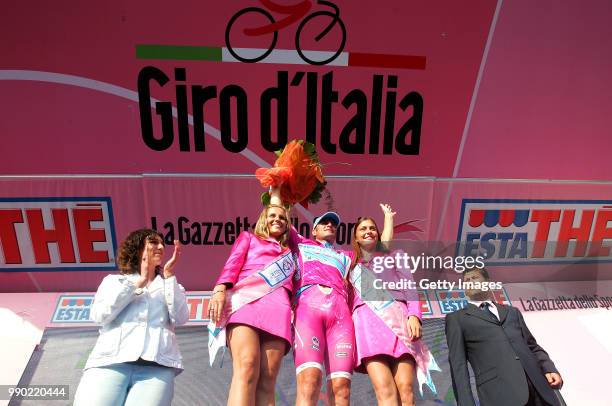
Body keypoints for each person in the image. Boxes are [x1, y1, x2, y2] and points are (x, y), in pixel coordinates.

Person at [74, 229, 189, 406]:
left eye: (162, 244)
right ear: (137, 248)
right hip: (109, 362)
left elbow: (181, 318)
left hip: (157, 368)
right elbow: (99, 315)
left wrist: (169, 276)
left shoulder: (171, 284)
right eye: (153, 242)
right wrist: (138, 283)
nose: (160, 247)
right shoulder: (114, 281)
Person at [207, 203, 296, 406]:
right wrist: (220, 289)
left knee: (268, 379)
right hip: (246, 303)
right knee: (247, 367)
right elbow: (233, 264)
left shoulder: (291, 252)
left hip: (278, 308)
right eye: (272, 215)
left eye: (282, 217)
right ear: (264, 219)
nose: (277, 220)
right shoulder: (248, 237)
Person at [445, 267, 564, 406]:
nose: (471, 282)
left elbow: (532, 346)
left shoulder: (512, 312)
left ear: (487, 282)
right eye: (467, 280)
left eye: (475, 278)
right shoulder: (457, 319)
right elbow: (458, 365)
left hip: (540, 389)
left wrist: (548, 368)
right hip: (501, 395)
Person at [350, 204, 424, 406]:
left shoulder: (394, 255)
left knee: (406, 389)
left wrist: (414, 315)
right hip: (368, 325)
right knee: (384, 390)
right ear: (356, 238)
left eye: (372, 228)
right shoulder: (350, 264)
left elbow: (409, 286)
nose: (368, 232)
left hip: (398, 321)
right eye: (363, 229)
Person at [286, 207, 355, 406]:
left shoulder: (347, 256)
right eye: (324, 223)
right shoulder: (300, 244)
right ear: (313, 231)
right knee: (310, 380)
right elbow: (281, 217)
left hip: (340, 318)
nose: (330, 225)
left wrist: (387, 222)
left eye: (333, 224)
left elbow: (373, 249)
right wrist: (278, 190)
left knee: (341, 388)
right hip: (308, 312)